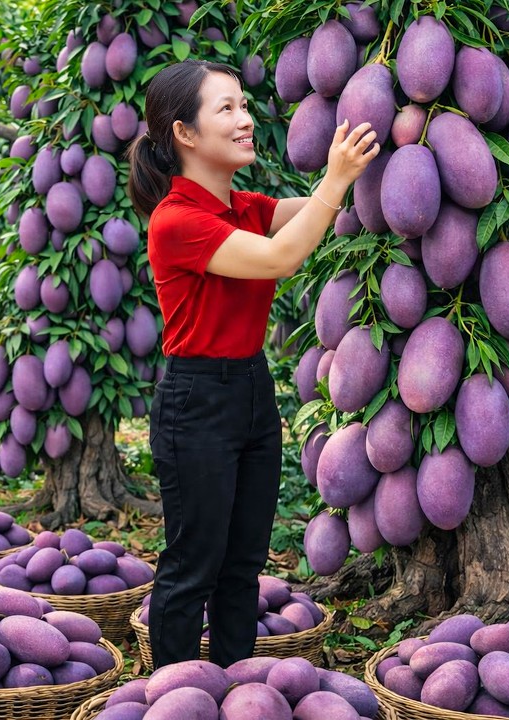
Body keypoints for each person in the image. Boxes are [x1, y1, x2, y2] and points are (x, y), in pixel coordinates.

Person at [125, 59, 379, 669]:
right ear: (185, 134)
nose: (246, 120)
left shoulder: (242, 205)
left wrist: (362, 165)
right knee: (194, 565)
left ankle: (239, 689)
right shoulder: (177, 221)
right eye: (227, 109)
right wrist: (334, 183)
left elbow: (312, 214)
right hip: (196, 401)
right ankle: (175, 694)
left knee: (243, 564)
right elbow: (277, 258)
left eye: (244, 105)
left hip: (250, 391)